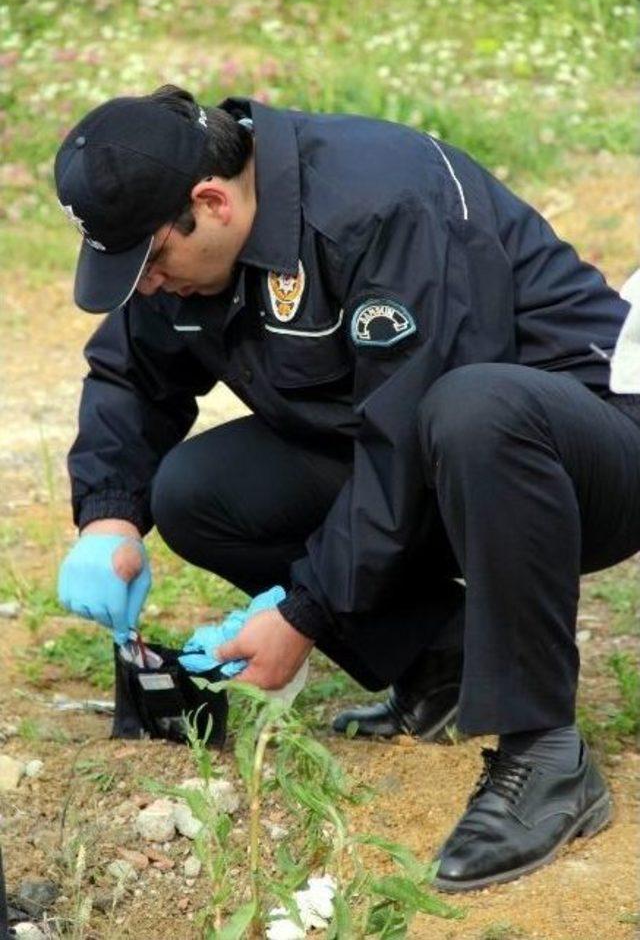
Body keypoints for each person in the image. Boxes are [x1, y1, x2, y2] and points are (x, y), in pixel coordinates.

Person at [54, 85, 640, 892]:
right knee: (196, 491)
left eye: (149, 260)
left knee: (475, 407)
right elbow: (129, 373)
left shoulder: (383, 204)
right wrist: (109, 518)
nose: (147, 285)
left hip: (583, 455)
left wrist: (304, 612)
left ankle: (545, 754)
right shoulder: (188, 255)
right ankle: (443, 664)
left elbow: (408, 439)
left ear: (212, 201)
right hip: (428, 453)